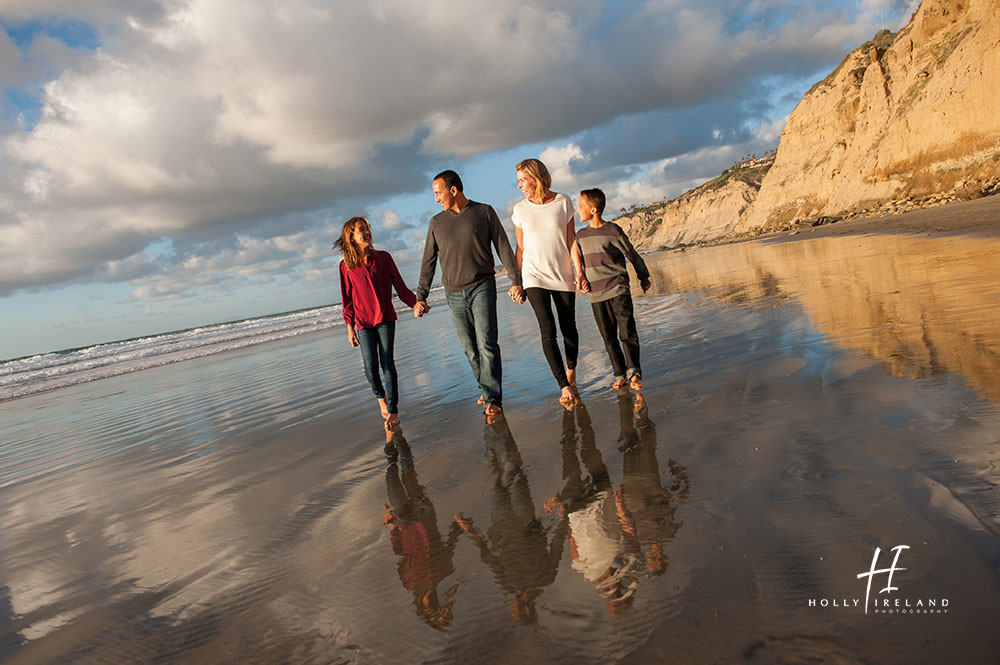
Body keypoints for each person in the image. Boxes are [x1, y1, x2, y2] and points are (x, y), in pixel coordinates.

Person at [414, 170, 523, 416]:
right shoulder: (436, 223)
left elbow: (503, 246)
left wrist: (515, 280)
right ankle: (485, 390)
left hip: (483, 285)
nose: (436, 199)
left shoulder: (484, 212)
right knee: (470, 348)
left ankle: (493, 399)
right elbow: (428, 262)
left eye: (438, 193)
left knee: (486, 342)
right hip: (453, 293)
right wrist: (421, 297)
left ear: (453, 190)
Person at [512, 158, 589, 408]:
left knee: (569, 328)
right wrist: (517, 281)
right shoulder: (520, 210)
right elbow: (521, 248)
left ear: (537, 178)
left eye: (523, 180)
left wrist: (580, 271)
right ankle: (563, 386)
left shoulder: (562, 202)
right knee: (547, 330)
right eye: (518, 181)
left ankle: (571, 370)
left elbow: (571, 240)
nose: (520, 186)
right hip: (533, 276)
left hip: (562, 273)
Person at [336, 216, 420, 428]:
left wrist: (414, 304)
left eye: (367, 229)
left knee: (387, 363)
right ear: (352, 237)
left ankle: (392, 410)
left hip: (385, 319)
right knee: (370, 368)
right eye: (361, 230)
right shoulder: (346, 266)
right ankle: (380, 397)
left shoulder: (384, 258)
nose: (366, 233)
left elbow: (400, 287)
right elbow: (346, 300)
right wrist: (349, 328)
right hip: (363, 324)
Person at [575, 188, 651, 391]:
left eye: (581, 206)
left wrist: (644, 276)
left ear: (593, 209)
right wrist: (580, 279)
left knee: (627, 332)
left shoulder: (613, 231)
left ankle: (634, 372)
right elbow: (579, 263)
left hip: (618, 289)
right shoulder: (580, 236)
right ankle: (620, 374)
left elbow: (632, 255)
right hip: (596, 294)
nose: (577, 209)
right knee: (608, 337)